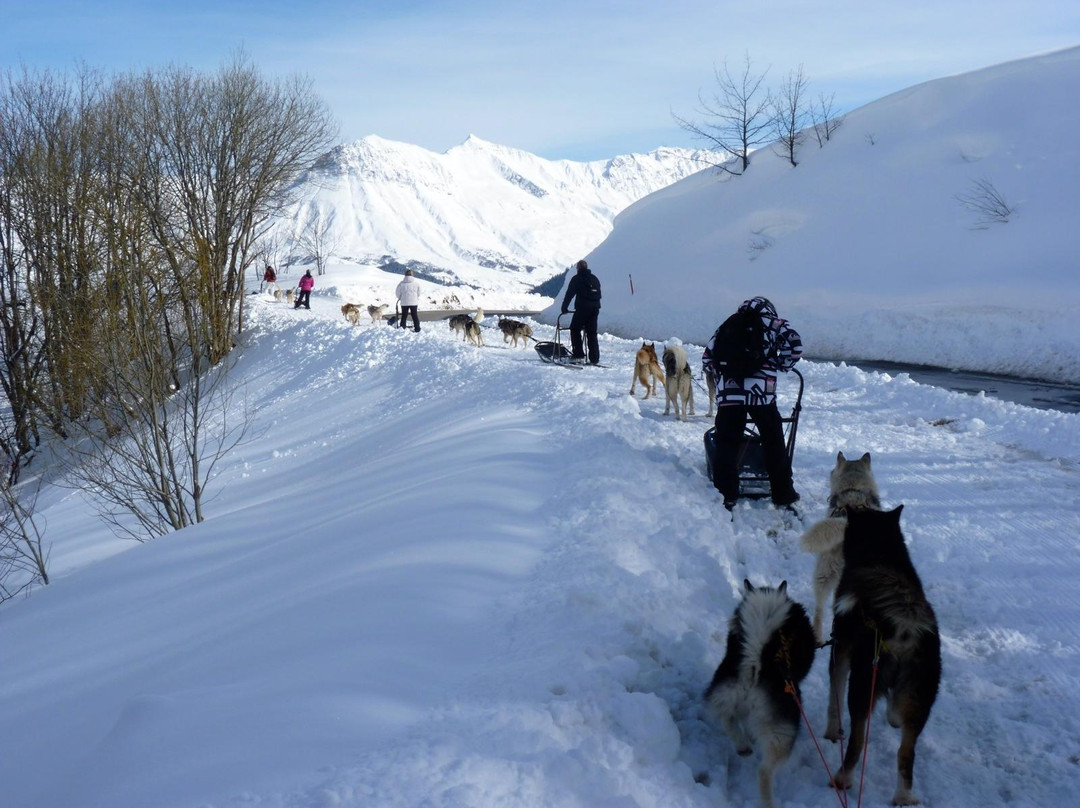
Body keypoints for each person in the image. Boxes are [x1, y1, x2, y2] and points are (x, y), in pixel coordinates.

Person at [703, 296, 802, 511]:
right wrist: (779, 364)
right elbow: (794, 344)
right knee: (773, 441)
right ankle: (783, 494)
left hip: (730, 394)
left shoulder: (728, 324)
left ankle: (726, 493)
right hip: (761, 395)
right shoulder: (772, 322)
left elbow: (707, 358)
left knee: (727, 442)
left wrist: (724, 375)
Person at [560, 259, 602, 364]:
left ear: (578, 269)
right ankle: (594, 358)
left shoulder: (576, 279)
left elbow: (569, 294)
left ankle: (578, 354)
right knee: (592, 333)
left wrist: (564, 308)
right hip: (595, 309)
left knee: (575, 329)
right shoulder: (594, 279)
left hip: (582, 309)